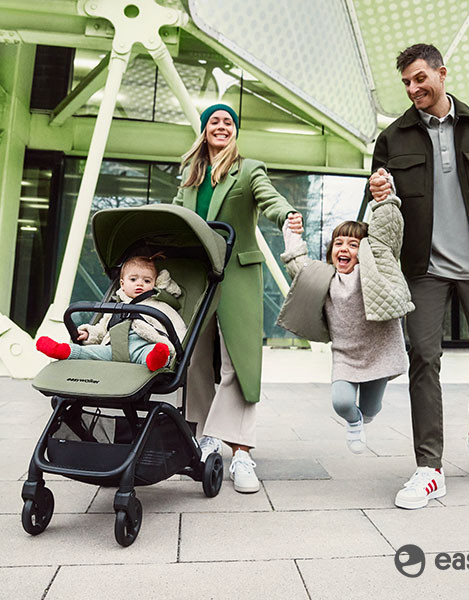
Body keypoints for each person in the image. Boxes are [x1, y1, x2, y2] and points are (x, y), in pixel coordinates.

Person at [368, 44, 469, 509]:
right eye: (406, 83)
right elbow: (380, 201)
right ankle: (429, 467)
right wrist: (378, 190)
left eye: (419, 78)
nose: (413, 89)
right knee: (424, 359)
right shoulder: (392, 137)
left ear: (441, 73)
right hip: (424, 269)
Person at [173, 103, 303, 493]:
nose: (222, 125)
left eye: (228, 122)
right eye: (214, 121)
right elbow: (176, 215)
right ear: (204, 130)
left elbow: (270, 199)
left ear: (235, 131)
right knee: (194, 361)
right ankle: (205, 437)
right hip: (198, 278)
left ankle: (241, 452)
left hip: (238, 276)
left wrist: (287, 215)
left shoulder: (248, 169)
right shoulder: (191, 176)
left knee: (239, 364)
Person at [277, 189, 414, 453]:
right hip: (346, 355)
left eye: (353, 245)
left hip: (380, 351)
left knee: (372, 409)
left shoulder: (374, 271)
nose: (344, 248)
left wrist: (384, 199)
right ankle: (353, 422)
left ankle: (364, 418)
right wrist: (291, 231)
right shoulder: (324, 278)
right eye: (339, 243)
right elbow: (297, 263)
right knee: (342, 403)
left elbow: (386, 237)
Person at [36, 254, 186, 372]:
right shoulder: (115, 307)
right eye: (133, 279)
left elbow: (177, 327)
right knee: (89, 352)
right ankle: (63, 350)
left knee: (154, 352)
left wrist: (176, 349)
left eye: (147, 281)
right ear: (122, 284)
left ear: (154, 284)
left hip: (143, 346)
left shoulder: (159, 305)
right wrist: (89, 334)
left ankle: (157, 360)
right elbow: (102, 329)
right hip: (113, 348)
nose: (140, 283)